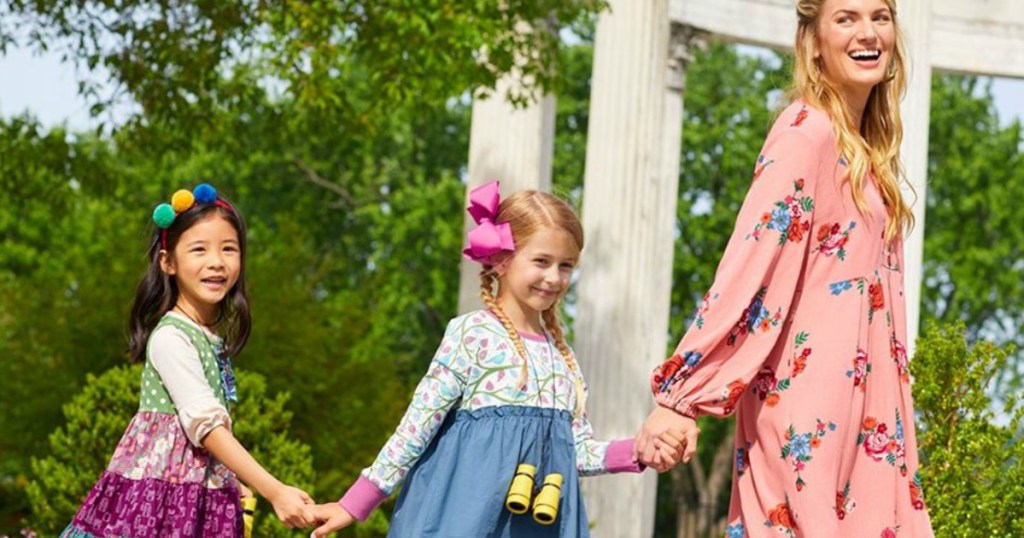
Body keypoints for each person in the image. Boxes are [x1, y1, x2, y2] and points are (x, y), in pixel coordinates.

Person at [634, 1, 936, 536]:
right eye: (846, 18)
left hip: (869, 412)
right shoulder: (805, 134)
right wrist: (684, 398)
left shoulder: (864, 147)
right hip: (809, 412)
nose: (868, 33)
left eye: (880, 17)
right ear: (814, 39)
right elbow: (750, 266)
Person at [310, 181, 676, 537]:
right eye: (542, 261)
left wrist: (638, 451)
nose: (554, 277)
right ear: (501, 259)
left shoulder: (563, 358)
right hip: (460, 519)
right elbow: (416, 426)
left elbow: (575, 451)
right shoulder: (472, 335)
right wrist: (354, 504)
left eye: (566, 266)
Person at [62, 183, 316, 537]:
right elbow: (207, 427)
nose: (216, 261)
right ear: (168, 262)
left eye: (229, 249)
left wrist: (230, 480)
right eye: (199, 249)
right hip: (159, 507)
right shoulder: (171, 338)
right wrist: (274, 490)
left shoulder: (208, 338)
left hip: (197, 502)